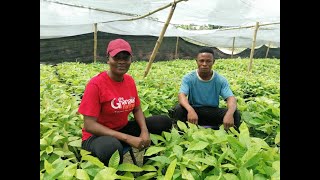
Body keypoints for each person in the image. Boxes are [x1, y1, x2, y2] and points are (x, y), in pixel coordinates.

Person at [78, 38, 173, 166]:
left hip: (121, 129)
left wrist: (144, 130)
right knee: (111, 148)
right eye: (116, 57)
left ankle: (150, 165)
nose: (121, 62)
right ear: (108, 59)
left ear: (130, 60)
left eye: (125, 58)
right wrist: (127, 138)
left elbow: (137, 108)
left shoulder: (129, 81)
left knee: (163, 122)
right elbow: (89, 125)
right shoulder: (96, 84)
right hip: (97, 136)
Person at [170, 47, 241, 131]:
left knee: (235, 113)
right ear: (196, 61)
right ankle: (182, 134)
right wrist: (190, 110)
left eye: (208, 61)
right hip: (194, 111)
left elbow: (231, 98)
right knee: (179, 109)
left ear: (213, 62)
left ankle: (230, 138)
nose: (204, 64)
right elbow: (181, 95)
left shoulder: (220, 80)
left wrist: (229, 114)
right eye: (201, 61)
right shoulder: (189, 78)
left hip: (212, 111)